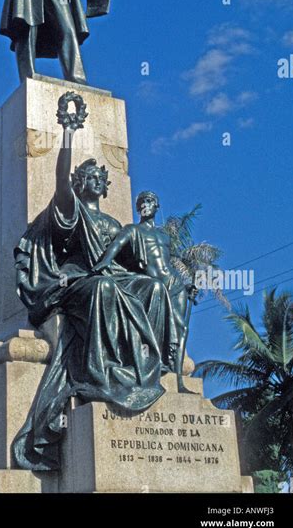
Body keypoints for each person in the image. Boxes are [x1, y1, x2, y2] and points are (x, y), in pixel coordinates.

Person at [12, 93, 177, 471]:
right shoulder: (70, 213)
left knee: (152, 289)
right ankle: (99, 373)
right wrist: (67, 134)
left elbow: (137, 267)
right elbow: (59, 181)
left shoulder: (116, 226)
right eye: (87, 177)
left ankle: (149, 367)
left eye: (99, 178)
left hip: (113, 280)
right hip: (80, 283)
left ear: (104, 186)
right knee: (104, 289)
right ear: (78, 184)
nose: (94, 181)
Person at [93, 190, 190, 385]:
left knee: (182, 329)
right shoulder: (132, 230)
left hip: (175, 283)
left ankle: (178, 381)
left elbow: (171, 261)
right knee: (163, 327)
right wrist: (104, 262)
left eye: (149, 201)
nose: (145, 205)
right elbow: (116, 245)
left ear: (156, 206)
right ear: (138, 208)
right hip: (155, 284)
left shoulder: (165, 236)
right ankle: (154, 364)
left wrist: (189, 283)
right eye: (141, 202)